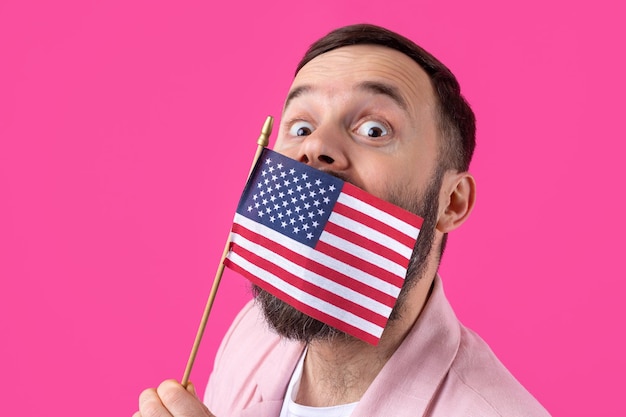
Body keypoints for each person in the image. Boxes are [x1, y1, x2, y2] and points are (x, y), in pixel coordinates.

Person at [135, 24, 551, 417]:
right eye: (300, 126)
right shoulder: (250, 335)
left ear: (452, 202)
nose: (315, 146)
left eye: (374, 130)